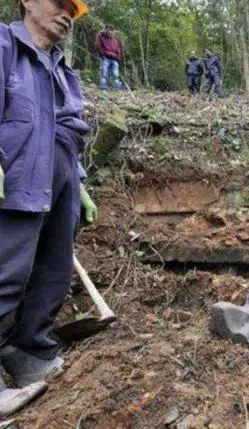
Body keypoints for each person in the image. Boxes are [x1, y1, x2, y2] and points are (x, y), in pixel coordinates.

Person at [0, 0, 97, 413]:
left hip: (62, 184)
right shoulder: (5, 46)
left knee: (52, 271)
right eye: (59, 3)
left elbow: (70, 127)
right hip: (16, 180)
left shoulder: (65, 69)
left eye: (72, 11)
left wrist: (80, 182)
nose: (66, 14)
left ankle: (30, 354)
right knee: (5, 274)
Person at [95, 24, 122, 91]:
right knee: (104, 74)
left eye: (111, 30)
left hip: (114, 59)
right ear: (106, 30)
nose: (110, 31)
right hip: (105, 58)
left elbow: (118, 49)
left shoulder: (115, 40)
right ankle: (103, 89)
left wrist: (118, 57)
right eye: (109, 29)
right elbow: (98, 46)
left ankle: (117, 90)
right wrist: (103, 54)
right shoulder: (101, 37)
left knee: (116, 75)